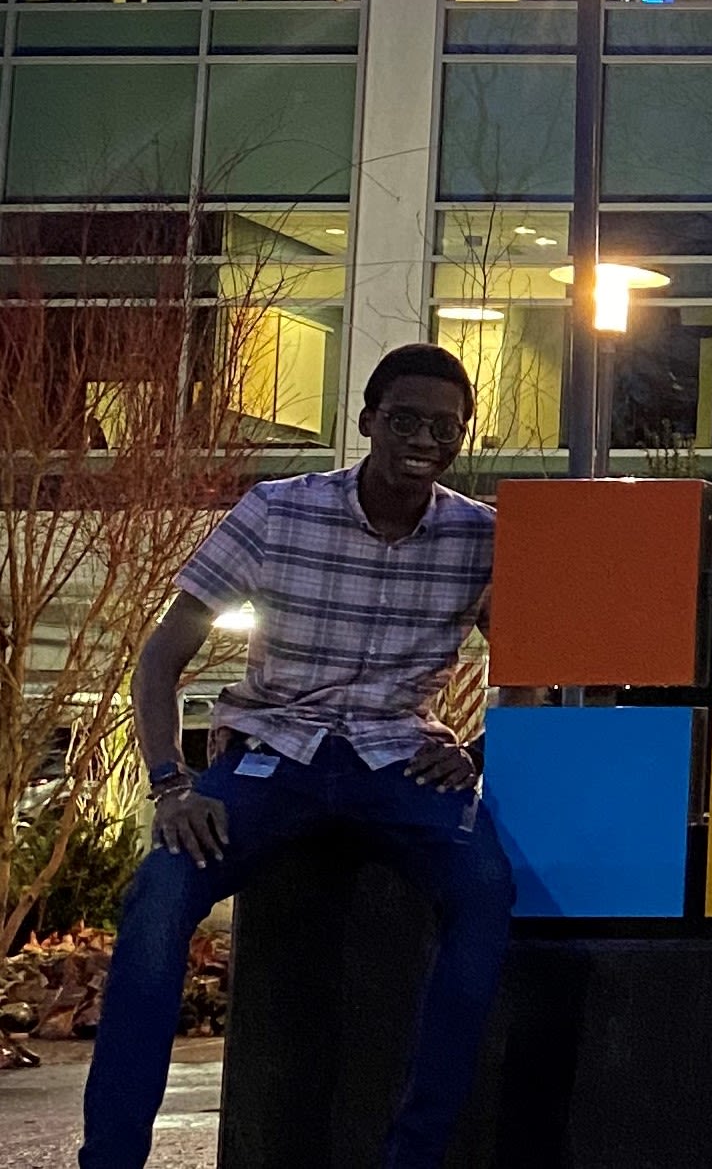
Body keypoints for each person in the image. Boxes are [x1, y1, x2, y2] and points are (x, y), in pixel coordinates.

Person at [81, 344, 510, 1169]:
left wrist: (484, 749)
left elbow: (538, 668)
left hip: (401, 760)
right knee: (161, 894)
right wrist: (171, 784)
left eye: (444, 427)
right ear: (367, 422)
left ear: (462, 437)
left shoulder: (479, 536)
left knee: (487, 893)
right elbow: (160, 657)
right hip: (271, 755)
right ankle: (109, 1158)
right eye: (405, 420)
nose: (423, 438)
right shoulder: (277, 510)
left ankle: (411, 1157)